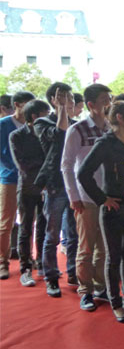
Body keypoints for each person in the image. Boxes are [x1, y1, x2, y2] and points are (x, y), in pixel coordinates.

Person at [79, 101, 124, 322]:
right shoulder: (105, 143)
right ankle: (116, 303)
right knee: (114, 257)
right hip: (113, 208)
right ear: (120, 118)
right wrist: (102, 199)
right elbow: (83, 173)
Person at [61, 83, 112, 311]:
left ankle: (101, 286)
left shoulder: (112, 129)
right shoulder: (78, 130)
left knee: (104, 246)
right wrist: (73, 196)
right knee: (86, 247)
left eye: (109, 99)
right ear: (91, 105)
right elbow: (67, 165)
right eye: (104, 100)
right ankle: (86, 291)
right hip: (86, 198)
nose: (108, 104)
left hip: (109, 196)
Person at [34, 82, 78, 297]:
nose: (70, 102)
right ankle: (51, 277)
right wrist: (61, 110)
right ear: (53, 100)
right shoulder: (42, 122)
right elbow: (59, 134)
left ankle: (74, 272)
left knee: (74, 233)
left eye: (71, 98)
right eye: (64, 98)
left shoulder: (77, 124)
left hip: (74, 184)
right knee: (52, 234)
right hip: (54, 184)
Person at [9, 99, 50, 286]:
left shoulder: (47, 133)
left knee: (44, 225)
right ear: (34, 116)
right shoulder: (17, 136)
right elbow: (22, 164)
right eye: (45, 114)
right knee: (26, 227)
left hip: (47, 186)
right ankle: (25, 268)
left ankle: (41, 262)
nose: (48, 117)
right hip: (27, 186)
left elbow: (53, 158)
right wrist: (43, 171)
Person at [0, 91, 35, 280]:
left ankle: (28, 257)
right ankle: (2, 262)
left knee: (29, 221)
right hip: (10, 178)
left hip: (31, 180)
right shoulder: (4, 124)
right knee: (6, 222)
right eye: (28, 104)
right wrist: (16, 168)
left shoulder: (34, 124)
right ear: (17, 105)